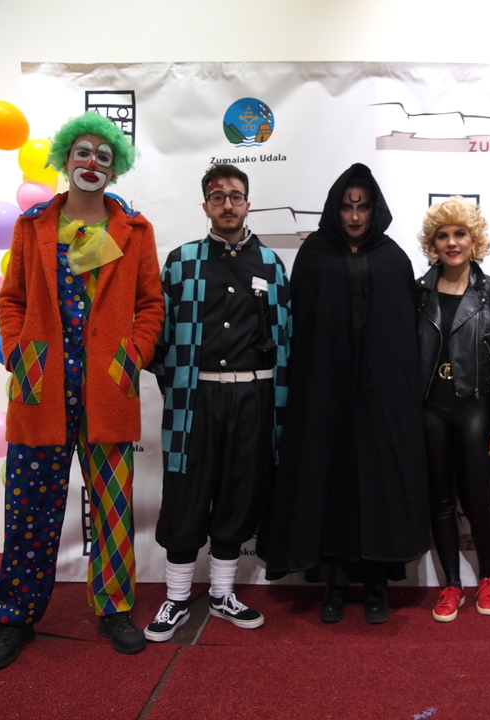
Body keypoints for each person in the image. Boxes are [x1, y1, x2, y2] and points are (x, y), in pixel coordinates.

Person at [0, 112, 164, 670]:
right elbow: (12, 299)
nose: (92, 162)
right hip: (42, 388)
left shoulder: (135, 230)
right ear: (65, 159)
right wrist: (19, 352)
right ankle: (14, 616)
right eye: (82, 152)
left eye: (103, 156)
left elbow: (150, 305)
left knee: (112, 509)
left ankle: (114, 608)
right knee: (29, 507)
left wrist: (132, 356)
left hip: (107, 388)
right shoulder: (33, 224)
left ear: (115, 168)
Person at [258, 163, 428, 624]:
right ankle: (333, 583)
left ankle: (376, 585)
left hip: (382, 398)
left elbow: (404, 336)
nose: (355, 216)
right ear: (335, 209)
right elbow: (299, 330)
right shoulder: (314, 257)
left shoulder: (393, 259)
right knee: (327, 479)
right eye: (348, 207)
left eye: (363, 207)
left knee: (379, 483)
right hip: (323, 395)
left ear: (375, 210)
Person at [145, 164, 290, 641]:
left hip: (253, 396)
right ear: (205, 205)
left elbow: (286, 337)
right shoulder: (181, 261)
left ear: (248, 203)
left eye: (236, 196)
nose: (228, 204)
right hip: (196, 397)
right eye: (218, 196)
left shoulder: (271, 264)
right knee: (186, 491)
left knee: (240, 491)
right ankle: (176, 598)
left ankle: (223, 594)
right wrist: (179, 387)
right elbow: (159, 335)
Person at [416, 197, 490, 622]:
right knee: (440, 502)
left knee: (477, 503)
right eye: (443, 235)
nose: (452, 242)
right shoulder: (418, 291)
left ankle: (488, 578)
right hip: (430, 409)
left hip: (476, 408)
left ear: (474, 240)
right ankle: (452, 584)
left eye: (460, 233)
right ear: (433, 243)